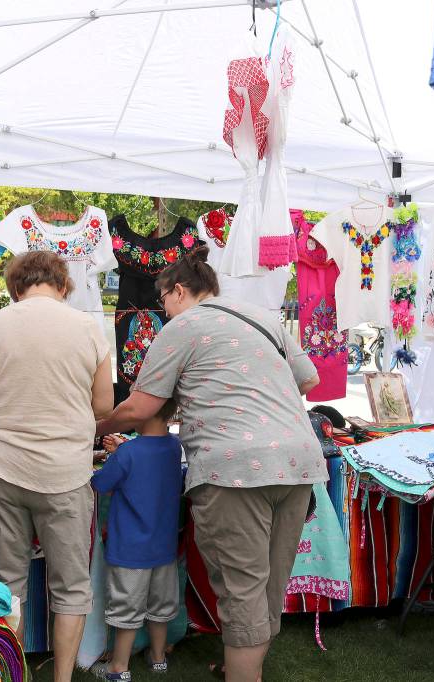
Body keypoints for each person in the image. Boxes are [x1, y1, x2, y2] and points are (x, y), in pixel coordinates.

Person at [96, 246, 326, 682]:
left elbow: (142, 406)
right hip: (298, 461)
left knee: (242, 590)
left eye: (163, 300)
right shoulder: (262, 317)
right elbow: (308, 379)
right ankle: (244, 664)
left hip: (233, 467)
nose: (163, 309)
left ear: (178, 291)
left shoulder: (184, 326)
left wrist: (97, 425)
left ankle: (245, 674)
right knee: (268, 586)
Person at [0, 250, 114, 682]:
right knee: (71, 585)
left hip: (0, 466)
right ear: (63, 285)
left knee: (7, 581)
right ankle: (62, 678)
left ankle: (14, 673)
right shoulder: (87, 327)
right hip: (66, 470)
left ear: (15, 287)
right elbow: (104, 405)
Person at [90, 399, 183, 681]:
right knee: (160, 605)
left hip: (130, 548)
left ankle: (119, 667)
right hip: (164, 546)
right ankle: (158, 658)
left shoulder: (128, 452)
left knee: (126, 607)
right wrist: (122, 451)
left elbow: (101, 483)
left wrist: (118, 455)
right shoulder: (173, 447)